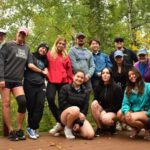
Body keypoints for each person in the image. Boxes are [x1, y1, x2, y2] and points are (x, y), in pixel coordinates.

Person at [0, 27, 29, 141]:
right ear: (16, 34)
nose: (21, 36)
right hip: (5, 79)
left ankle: (19, 129)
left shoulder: (26, 48)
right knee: (6, 104)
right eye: (20, 33)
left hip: (17, 81)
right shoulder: (7, 45)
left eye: (23, 34)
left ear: (26, 36)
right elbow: (0, 61)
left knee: (23, 102)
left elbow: (29, 63)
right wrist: (1, 78)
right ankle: (11, 130)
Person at [46, 37, 73, 136]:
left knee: (63, 103)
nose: (61, 45)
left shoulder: (66, 56)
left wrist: (70, 82)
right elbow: (42, 62)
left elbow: (69, 70)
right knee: (50, 99)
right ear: (56, 44)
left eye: (63, 44)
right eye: (59, 43)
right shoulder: (49, 54)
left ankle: (63, 125)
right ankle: (60, 122)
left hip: (64, 82)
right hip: (52, 81)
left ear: (64, 46)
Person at [59, 70, 94, 139]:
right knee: (75, 109)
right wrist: (77, 112)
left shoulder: (86, 92)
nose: (79, 79)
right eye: (77, 76)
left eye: (81, 78)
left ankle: (71, 127)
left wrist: (78, 123)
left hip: (78, 117)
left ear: (83, 80)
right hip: (64, 116)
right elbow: (62, 104)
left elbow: (85, 108)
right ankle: (67, 128)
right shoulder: (65, 88)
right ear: (73, 76)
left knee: (90, 135)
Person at [24, 43, 49, 139]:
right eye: (42, 48)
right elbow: (30, 65)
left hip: (41, 85)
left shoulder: (45, 60)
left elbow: (47, 71)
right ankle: (31, 128)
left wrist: (46, 72)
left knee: (40, 105)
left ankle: (33, 127)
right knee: (31, 107)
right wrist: (42, 71)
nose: (43, 50)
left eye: (45, 49)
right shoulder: (31, 55)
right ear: (39, 48)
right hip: (29, 83)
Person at [117, 67, 150, 140]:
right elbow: (125, 103)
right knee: (120, 114)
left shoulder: (148, 86)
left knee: (130, 118)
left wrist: (148, 113)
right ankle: (136, 128)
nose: (131, 76)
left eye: (133, 74)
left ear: (137, 74)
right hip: (135, 111)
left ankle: (148, 129)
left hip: (147, 111)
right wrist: (126, 111)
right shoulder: (128, 89)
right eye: (129, 75)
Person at [91, 67, 123, 137]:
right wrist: (97, 104)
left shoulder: (117, 88)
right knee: (94, 104)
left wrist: (106, 111)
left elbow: (119, 105)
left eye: (107, 73)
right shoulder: (98, 86)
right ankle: (100, 128)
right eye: (103, 73)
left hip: (114, 111)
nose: (105, 75)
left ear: (111, 75)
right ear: (101, 75)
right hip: (103, 109)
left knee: (105, 119)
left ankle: (112, 126)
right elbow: (95, 99)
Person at [112, 50, 132, 131]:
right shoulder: (112, 68)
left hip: (127, 88)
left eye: (120, 57)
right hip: (116, 90)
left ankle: (127, 123)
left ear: (123, 57)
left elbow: (132, 76)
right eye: (117, 57)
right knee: (117, 105)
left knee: (127, 105)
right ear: (115, 58)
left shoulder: (128, 66)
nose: (119, 58)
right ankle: (119, 122)